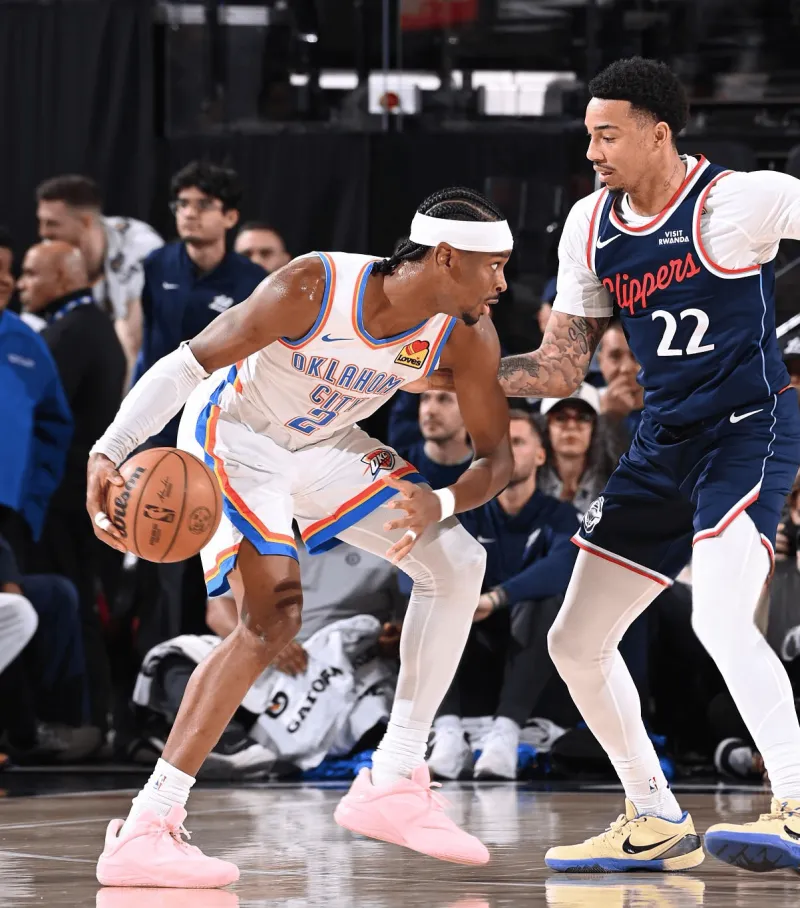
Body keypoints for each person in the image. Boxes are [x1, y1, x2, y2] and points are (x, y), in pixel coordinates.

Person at [431, 57, 800, 873]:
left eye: (607, 134)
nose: (592, 151)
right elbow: (561, 368)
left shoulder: (741, 200)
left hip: (748, 430)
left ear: (658, 134)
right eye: (588, 134)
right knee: (575, 640)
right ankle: (655, 817)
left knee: (718, 618)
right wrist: (450, 371)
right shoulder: (589, 225)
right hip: (662, 443)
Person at [87, 186, 514, 887]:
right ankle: (147, 826)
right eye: (492, 266)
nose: (501, 283)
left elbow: (497, 461)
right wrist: (109, 449)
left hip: (324, 443)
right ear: (445, 257)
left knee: (459, 561)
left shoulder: (467, 335)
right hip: (237, 433)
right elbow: (188, 363)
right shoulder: (315, 285)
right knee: (272, 620)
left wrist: (439, 501)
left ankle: (393, 779)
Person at [133, 162, 267, 656]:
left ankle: (214, 667)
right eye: (182, 204)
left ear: (229, 216)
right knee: (154, 552)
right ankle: (158, 669)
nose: (189, 214)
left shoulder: (255, 281)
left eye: (202, 205)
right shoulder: (156, 266)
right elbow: (147, 350)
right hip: (160, 430)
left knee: (213, 560)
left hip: (221, 433)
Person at [429, 410, 579, 781]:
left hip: (533, 660)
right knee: (425, 594)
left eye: (518, 442)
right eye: (499, 445)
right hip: (472, 654)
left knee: (546, 600)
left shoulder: (561, 516)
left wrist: (496, 598)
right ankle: (446, 732)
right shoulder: (466, 514)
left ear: (541, 455)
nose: (507, 453)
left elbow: (563, 566)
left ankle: (506, 735)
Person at [17, 241, 126, 734]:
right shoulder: (90, 326)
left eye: (31, 273)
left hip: (62, 501)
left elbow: (34, 412)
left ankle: (79, 722)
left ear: (63, 277)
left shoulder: (71, 333)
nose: (22, 284)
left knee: (73, 606)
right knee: (79, 602)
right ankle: (87, 720)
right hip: (74, 497)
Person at [35, 175, 163, 373]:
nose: (43, 232)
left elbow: (131, 339)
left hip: (136, 356)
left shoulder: (139, 246)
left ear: (86, 222)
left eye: (52, 224)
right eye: (41, 222)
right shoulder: (50, 248)